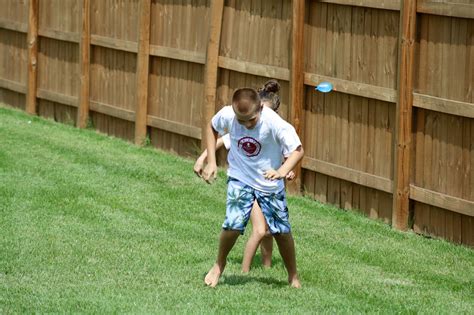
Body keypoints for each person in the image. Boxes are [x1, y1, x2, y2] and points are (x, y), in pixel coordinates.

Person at [200, 86, 304, 288]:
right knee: (233, 223)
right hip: (240, 176)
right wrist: (211, 161)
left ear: (260, 110)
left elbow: (298, 150)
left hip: (269, 182)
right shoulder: (228, 114)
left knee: (281, 232)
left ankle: (292, 275)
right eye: (241, 121)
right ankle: (219, 264)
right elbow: (211, 128)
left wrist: (282, 171)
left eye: (252, 120)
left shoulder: (274, 122)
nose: (247, 125)